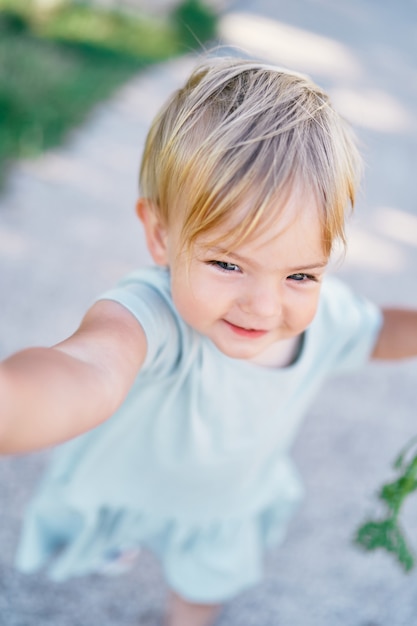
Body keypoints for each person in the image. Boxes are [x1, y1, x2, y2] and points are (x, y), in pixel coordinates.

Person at [1, 56, 417, 626]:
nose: (265, 307)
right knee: (114, 533)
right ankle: (121, 540)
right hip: (126, 481)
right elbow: (88, 369)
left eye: (301, 275)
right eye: (228, 264)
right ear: (160, 236)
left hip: (222, 505)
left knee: (199, 597)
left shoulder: (323, 319)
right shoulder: (154, 313)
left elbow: (378, 332)